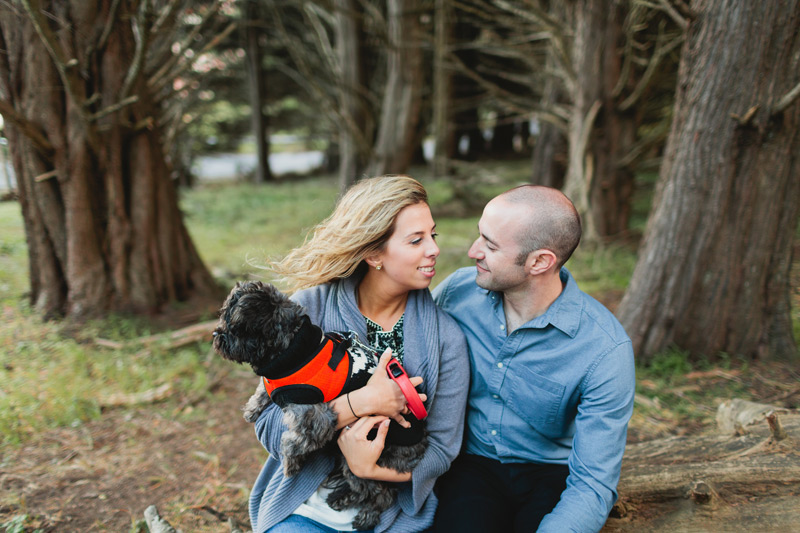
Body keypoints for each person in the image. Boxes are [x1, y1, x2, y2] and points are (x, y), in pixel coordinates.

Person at [246, 175, 469, 533]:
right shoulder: (308, 312)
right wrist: (360, 403)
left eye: (433, 235)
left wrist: (371, 469)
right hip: (304, 512)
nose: (434, 249)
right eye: (416, 240)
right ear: (373, 253)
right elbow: (271, 428)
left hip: (391, 519)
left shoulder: (446, 339)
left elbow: (442, 451)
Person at [430, 185, 635, 532]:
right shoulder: (456, 294)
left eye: (490, 245)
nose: (472, 251)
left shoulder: (604, 350)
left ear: (540, 261)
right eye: (480, 236)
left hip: (551, 473)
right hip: (471, 465)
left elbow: (593, 484)